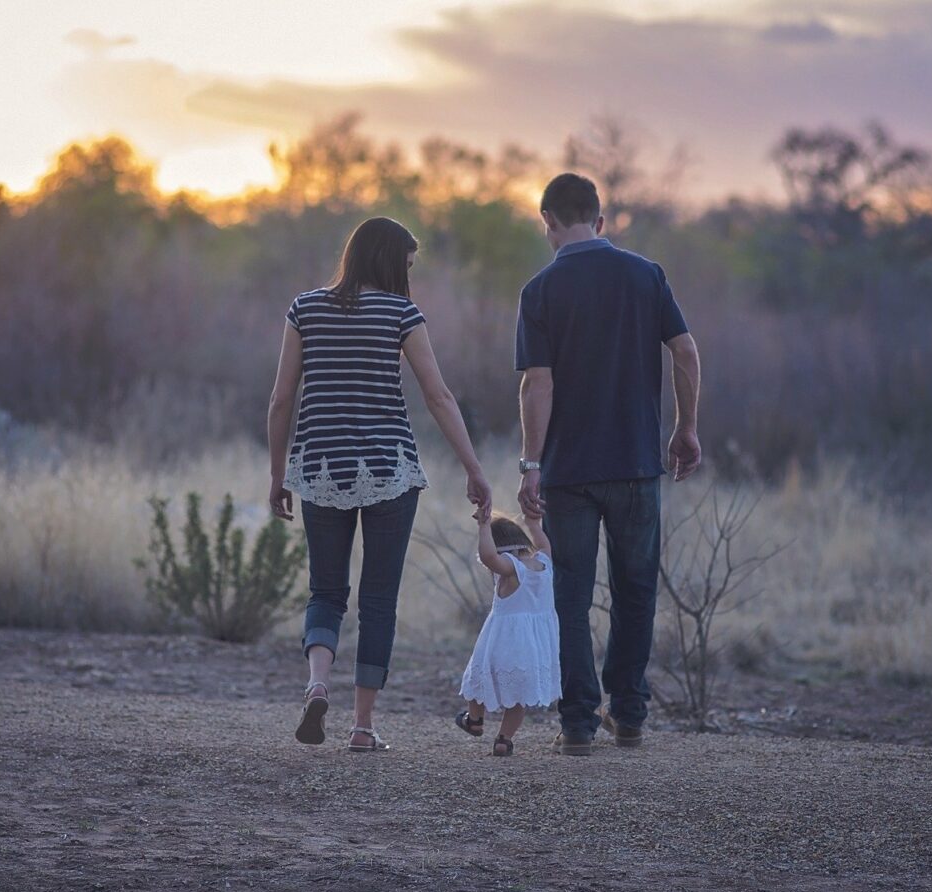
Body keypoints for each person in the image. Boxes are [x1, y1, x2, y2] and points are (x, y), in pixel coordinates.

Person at [268, 216, 492, 752]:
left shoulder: (304, 308)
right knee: (379, 600)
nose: (408, 276)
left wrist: (279, 475)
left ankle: (318, 682)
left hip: (320, 468)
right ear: (390, 262)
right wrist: (473, 468)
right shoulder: (401, 313)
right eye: (407, 265)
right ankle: (363, 726)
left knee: (325, 591)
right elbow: (438, 397)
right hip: (390, 470)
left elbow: (280, 400)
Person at [515, 173, 702, 756]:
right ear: (600, 220)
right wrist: (686, 427)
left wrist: (530, 463)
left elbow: (536, 385)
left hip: (569, 471)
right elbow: (686, 351)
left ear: (547, 221)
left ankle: (576, 724)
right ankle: (629, 713)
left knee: (570, 595)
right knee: (636, 589)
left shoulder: (540, 290)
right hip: (637, 463)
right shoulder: (646, 276)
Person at [456, 512, 561, 756]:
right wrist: (534, 524)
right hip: (535, 646)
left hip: (503, 642)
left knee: (478, 678)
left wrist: (483, 527)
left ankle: (475, 720)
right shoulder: (544, 563)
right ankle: (504, 739)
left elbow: (489, 556)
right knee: (519, 696)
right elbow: (544, 543)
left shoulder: (511, 569)